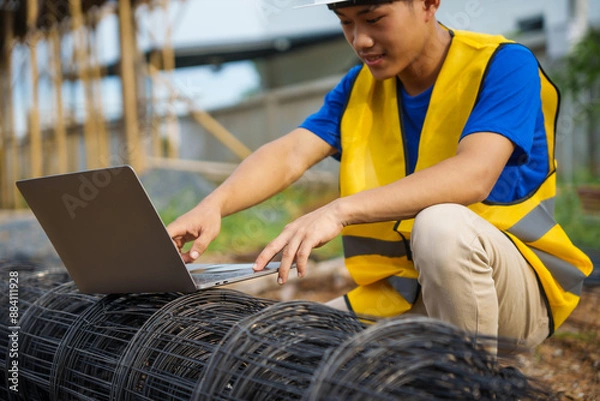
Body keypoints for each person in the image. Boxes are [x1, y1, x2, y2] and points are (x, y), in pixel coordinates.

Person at [167, 0, 592, 350]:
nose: (360, 40)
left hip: (511, 301)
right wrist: (214, 205)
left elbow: (473, 175)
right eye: (346, 23)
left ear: (429, 4)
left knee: (440, 225)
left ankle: (473, 383)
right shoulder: (359, 89)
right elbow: (291, 152)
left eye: (373, 19)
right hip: (401, 296)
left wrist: (339, 211)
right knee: (281, 342)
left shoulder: (503, 65)